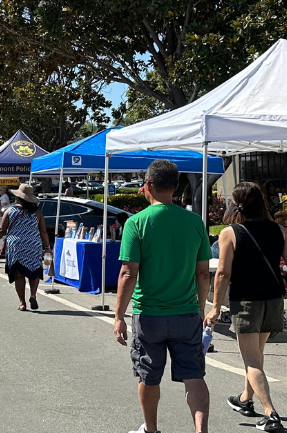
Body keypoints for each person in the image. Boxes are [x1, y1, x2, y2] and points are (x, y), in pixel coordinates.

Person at [206, 182, 287, 432]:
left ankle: (270, 412)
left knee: (251, 361)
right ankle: (245, 399)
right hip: (273, 299)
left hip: (246, 300)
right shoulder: (279, 231)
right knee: (257, 353)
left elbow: (223, 273)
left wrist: (214, 307)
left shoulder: (230, 233)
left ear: (235, 205)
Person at [113, 160, 211, 433]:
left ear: (148, 186)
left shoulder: (136, 223)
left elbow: (127, 274)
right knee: (194, 376)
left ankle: (152, 429)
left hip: (150, 315)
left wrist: (119, 316)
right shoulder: (194, 222)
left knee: (148, 375)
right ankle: (200, 430)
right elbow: (203, 273)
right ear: (176, 186)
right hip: (186, 312)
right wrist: (200, 308)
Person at [0, 184, 50, 311]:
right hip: (33, 245)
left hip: (16, 245)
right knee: (34, 272)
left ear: (18, 197)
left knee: (19, 275)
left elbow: (1, 230)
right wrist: (48, 247)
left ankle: (22, 303)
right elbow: (43, 231)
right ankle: (33, 295)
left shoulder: (10, 211)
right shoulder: (37, 213)